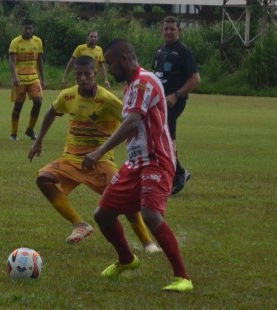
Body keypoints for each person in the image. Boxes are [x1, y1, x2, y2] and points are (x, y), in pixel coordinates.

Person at [82, 39, 193, 292]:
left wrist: (99, 151)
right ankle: (126, 259)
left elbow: (132, 122)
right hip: (135, 163)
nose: (108, 69)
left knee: (151, 215)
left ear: (123, 59)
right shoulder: (131, 85)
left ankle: (182, 277)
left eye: (110, 63)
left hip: (156, 160)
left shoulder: (144, 81)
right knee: (103, 215)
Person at [28, 55, 160, 253]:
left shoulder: (107, 100)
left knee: (128, 203)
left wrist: (101, 152)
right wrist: (38, 142)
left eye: (87, 74)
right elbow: (51, 112)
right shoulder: (68, 96)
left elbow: (130, 124)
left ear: (95, 74)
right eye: (78, 75)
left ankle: (148, 243)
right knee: (44, 179)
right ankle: (79, 224)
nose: (82, 79)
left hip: (100, 161)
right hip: (71, 159)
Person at [151, 16, 201, 195]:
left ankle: (178, 174)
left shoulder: (183, 52)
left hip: (173, 102)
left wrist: (176, 95)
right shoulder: (159, 50)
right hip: (158, 101)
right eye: (166, 29)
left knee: (166, 138)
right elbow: (157, 75)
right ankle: (173, 173)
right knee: (159, 138)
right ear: (161, 30)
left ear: (180, 31)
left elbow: (195, 79)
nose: (169, 32)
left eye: (173, 29)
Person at [8, 18, 46, 141]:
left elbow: (39, 61)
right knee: (18, 106)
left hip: (34, 77)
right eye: (26, 28)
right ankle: (13, 134)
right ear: (22, 28)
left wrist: (42, 78)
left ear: (33, 29)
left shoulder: (38, 41)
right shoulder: (16, 42)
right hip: (20, 79)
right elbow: (12, 62)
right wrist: (14, 78)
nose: (28, 30)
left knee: (38, 101)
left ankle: (30, 130)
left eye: (30, 28)